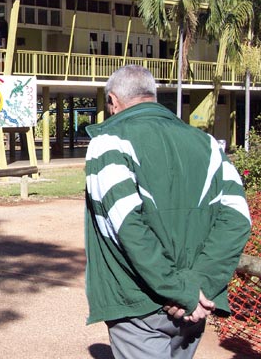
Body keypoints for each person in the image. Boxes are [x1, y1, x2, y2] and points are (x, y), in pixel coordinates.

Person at [84, 65, 251, 358]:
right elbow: (237, 219)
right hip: (196, 303)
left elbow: (127, 226)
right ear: (152, 96)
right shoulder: (208, 144)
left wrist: (180, 290)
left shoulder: (107, 143)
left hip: (139, 301)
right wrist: (200, 284)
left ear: (113, 101)